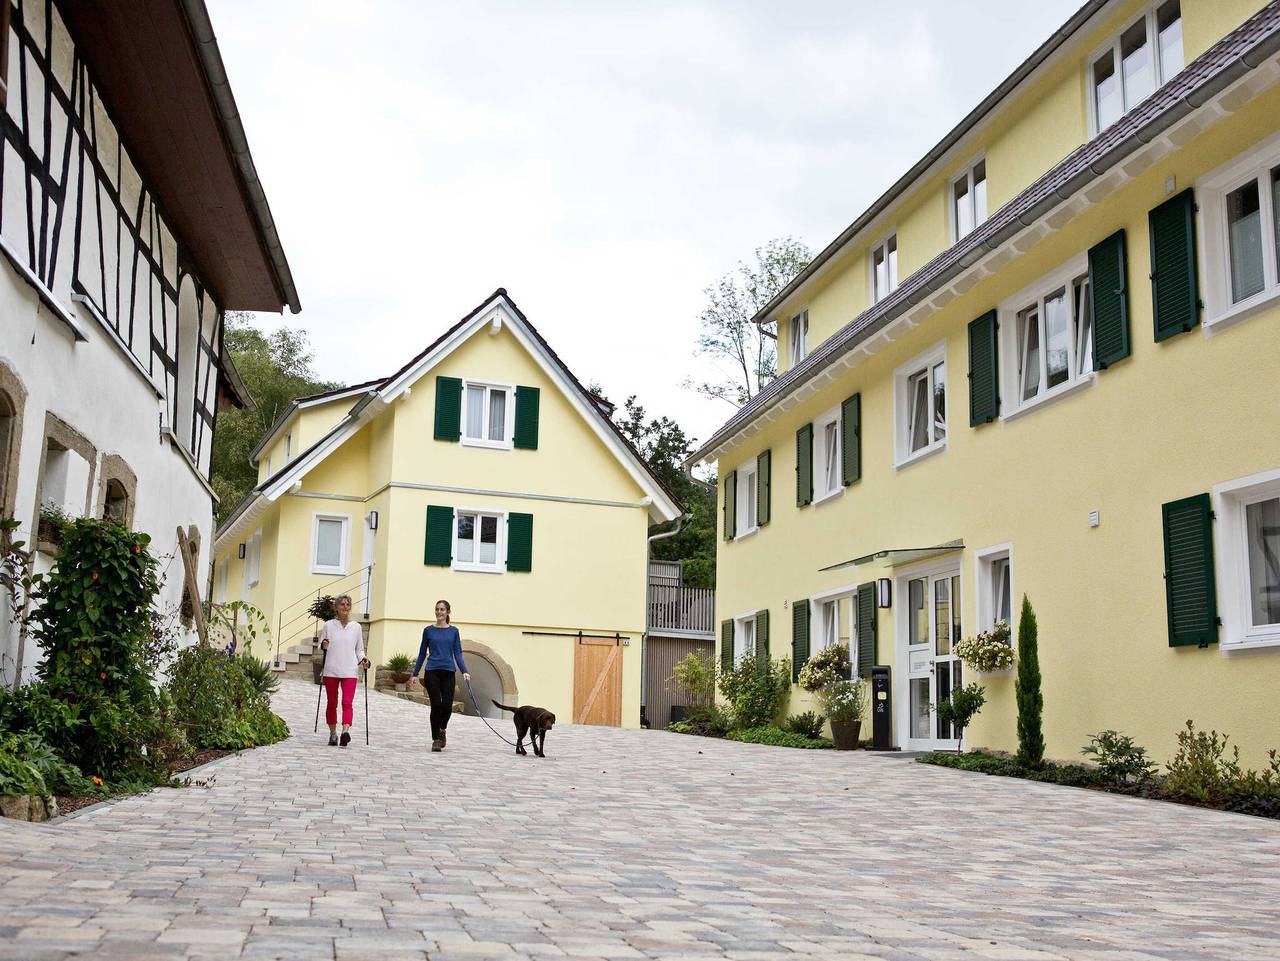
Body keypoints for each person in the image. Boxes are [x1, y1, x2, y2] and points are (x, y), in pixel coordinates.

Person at [409, 599, 470, 752]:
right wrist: (415, 673)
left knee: (447, 706)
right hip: (432, 671)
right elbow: (422, 652)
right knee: (436, 705)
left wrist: (465, 671)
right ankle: (436, 739)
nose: (439, 612)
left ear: (447, 612)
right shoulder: (428, 630)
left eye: (442, 609)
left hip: (448, 672)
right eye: (437, 609)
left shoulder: (454, 631)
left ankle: (442, 729)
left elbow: (458, 653)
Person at [319, 594, 370, 747]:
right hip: (331, 670)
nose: (345, 607)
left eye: (348, 604)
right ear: (336, 608)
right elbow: (321, 644)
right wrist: (324, 644)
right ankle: (333, 733)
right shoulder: (329, 625)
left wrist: (364, 659)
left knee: (347, 702)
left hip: (350, 670)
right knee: (332, 703)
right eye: (342, 604)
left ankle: (345, 732)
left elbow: (359, 650)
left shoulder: (356, 627)